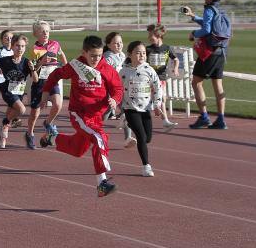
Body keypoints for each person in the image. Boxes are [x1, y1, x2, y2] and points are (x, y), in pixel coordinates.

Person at [38, 35, 123, 198]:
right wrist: (45, 94)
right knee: (100, 138)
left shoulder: (107, 69)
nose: (96, 59)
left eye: (99, 55)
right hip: (79, 114)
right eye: (92, 55)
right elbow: (55, 75)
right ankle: (102, 184)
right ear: (83, 52)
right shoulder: (76, 65)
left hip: (96, 117)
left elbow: (118, 89)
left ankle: (52, 138)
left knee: (77, 149)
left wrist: (114, 99)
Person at [184, 0, 230, 130]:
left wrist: (193, 34)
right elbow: (210, 24)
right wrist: (193, 17)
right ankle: (221, 119)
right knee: (218, 85)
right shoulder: (220, 10)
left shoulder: (209, 9)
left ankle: (204, 117)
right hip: (221, 52)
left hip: (209, 53)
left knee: (196, 82)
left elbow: (207, 29)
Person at [119, 41, 164, 177]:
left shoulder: (149, 70)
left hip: (145, 109)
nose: (141, 55)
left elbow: (157, 88)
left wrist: (157, 105)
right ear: (130, 54)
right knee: (142, 136)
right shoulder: (124, 71)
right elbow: (116, 88)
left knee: (148, 138)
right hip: (130, 109)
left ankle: (130, 135)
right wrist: (115, 103)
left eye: (144, 53)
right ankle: (146, 166)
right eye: (138, 53)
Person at [0, 34, 37, 149]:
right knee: (21, 109)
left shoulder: (27, 62)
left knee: (11, 113)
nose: (20, 48)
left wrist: (33, 69)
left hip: (19, 92)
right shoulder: (5, 61)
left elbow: (35, 79)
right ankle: (4, 123)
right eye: (17, 46)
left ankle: (2, 133)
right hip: (7, 90)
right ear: (12, 47)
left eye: (23, 46)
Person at [28, 20, 67, 150]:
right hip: (40, 81)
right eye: (42, 31)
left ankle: (47, 123)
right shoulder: (34, 49)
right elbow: (34, 69)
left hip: (53, 79)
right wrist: (42, 61)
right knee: (35, 112)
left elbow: (61, 54)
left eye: (47, 31)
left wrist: (65, 67)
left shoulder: (55, 44)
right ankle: (30, 133)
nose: (45, 33)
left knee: (58, 104)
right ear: (35, 34)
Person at [145, 24, 179, 132]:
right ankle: (127, 118)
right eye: (149, 37)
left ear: (159, 36)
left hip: (161, 78)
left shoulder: (167, 48)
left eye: (152, 37)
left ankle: (165, 121)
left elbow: (176, 59)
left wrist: (176, 68)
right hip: (149, 79)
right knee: (150, 100)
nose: (150, 38)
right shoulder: (147, 49)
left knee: (162, 99)